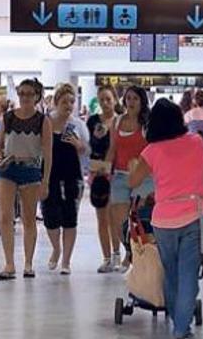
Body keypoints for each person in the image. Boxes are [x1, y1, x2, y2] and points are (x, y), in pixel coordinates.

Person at [130, 99, 203, 339]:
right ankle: (180, 329)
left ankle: (180, 325)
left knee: (171, 273)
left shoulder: (152, 151)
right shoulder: (198, 141)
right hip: (195, 215)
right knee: (189, 275)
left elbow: (133, 181)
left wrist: (138, 164)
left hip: (164, 218)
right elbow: (201, 167)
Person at [0, 78, 53, 280]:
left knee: (28, 218)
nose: (25, 97)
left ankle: (28, 263)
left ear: (37, 96)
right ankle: (9, 263)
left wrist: (45, 180)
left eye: (29, 93)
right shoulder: (7, 118)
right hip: (8, 168)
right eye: (22, 93)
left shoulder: (43, 121)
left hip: (30, 169)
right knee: (5, 216)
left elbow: (48, 152)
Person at [43, 83, 89, 275]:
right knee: (50, 217)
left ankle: (66, 261)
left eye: (72, 102)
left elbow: (87, 151)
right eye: (64, 102)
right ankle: (56, 248)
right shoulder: (46, 122)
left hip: (72, 176)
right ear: (56, 102)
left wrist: (79, 145)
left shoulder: (77, 125)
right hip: (49, 175)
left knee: (70, 217)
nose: (68, 105)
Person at [104, 85, 151, 272]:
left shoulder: (147, 124)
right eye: (128, 98)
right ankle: (128, 252)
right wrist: (105, 171)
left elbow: (152, 150)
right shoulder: (117, 122)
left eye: (135, 99)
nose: (131, 102)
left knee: (139, 216)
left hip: (144, 176)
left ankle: (140, 254)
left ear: (142, 102)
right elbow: (112, 149)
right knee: (120, 220)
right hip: (120, 176)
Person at [87, 85, 120, 273]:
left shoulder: (120, 122)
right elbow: (88, 145)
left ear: (114, 99)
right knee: (101, 218)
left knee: (114, 217)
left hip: (116, 173)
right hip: (97, 173)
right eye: (102, 100)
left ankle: (117, 254)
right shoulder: (92, 121)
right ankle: (106, 257)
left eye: (108, 99)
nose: (105, 103)